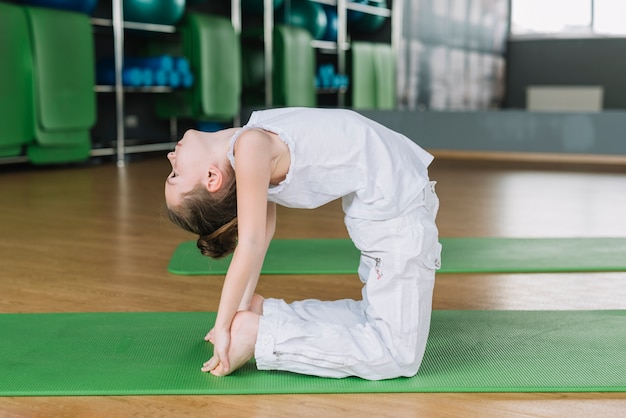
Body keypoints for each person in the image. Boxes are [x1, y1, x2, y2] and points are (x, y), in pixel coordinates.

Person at [165, 107, 441, 380]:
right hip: (396, 209)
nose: (170, 157)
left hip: (388, 203)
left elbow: (257, 241)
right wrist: (227, 322)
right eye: (174, 174)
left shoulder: (251, 142)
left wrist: (237, 311)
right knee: (397, 355)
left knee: (373, 320)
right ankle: (259, 334)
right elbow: (252, 243)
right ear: (211, 178)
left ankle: (264, 315)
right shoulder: (250, 147)